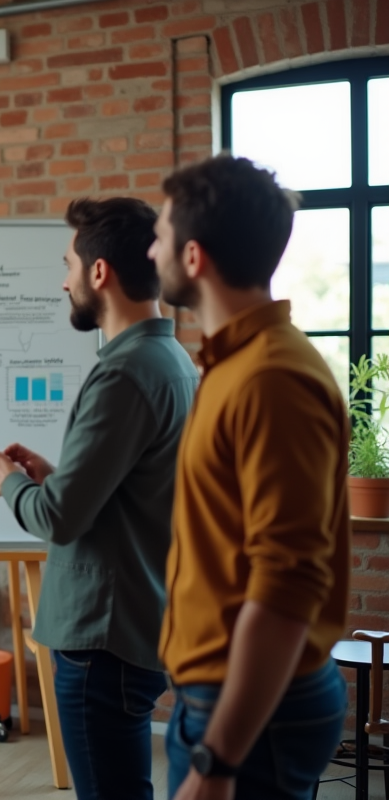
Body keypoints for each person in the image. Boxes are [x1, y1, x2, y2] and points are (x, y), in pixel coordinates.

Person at [0, 197, 199, 800]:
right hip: (134, 624)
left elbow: (59, 518)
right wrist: (53, 474)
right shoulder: (170, 360)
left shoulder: (123, 372)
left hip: (101, 639)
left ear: (100, 273)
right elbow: (128, 493)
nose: (63, 279)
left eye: (68, 263)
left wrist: (7, 481)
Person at [152, 155, 350, 800]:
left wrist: (218, 760)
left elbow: (288, 580)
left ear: (193, 257)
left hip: (251, 709)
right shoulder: (232, 365)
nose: (151, 248)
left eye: (160, 234)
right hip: (224, 694)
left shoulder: (271, 379)